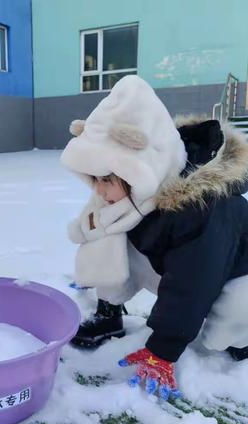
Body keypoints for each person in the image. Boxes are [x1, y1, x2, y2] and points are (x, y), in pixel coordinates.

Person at [61, 75, 248, 399]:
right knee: (108, 234)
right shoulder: (133, 187)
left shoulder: (198, 210)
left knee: (230, 320)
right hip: (180, 262)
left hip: (235, 273)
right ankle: (109, 316)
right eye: (94, 179)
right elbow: (98, 230)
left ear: (139, 168)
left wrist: (162, 350)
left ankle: (243, 341)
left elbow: (191, 285)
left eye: (107, 179)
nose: (100, 190)